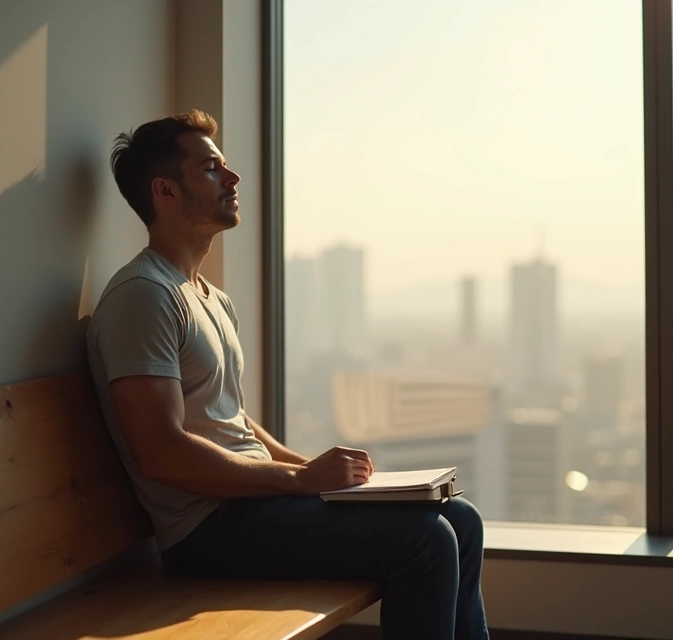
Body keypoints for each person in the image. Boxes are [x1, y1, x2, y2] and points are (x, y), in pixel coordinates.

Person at [86, 109, 488, 639]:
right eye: (211, 169)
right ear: (165, 191)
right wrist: (300, 481)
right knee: (427, 539)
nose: (232, 179)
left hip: (250, 508)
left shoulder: (209, 298)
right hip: (205, 530)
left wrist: (327, 483)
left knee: (461, 518)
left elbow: (235, 420)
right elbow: (160, 453)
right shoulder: (144, 297)